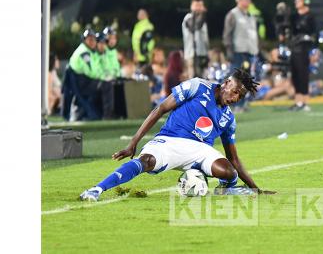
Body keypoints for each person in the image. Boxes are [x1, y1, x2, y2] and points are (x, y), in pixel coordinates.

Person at [79, 68, 275, 201]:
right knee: (146, 161)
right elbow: (160, 109)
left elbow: (234, 159)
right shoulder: (198, 86)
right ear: (226, 83)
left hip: (200, 150)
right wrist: (133, 142)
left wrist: (255, 188)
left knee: (229, 171)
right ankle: (97, 189)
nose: (235, 98)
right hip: (170, 141)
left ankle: (225, 188)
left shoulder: (228, 119)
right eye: (235, 92)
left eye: (240, 96)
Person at [223, 0, 259, 112]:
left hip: (248, 51)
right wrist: (229, 52)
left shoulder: (250, 15)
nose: (249, 2)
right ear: (239, 0)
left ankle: (241, 103)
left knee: (245, 80)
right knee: (234, 80)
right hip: (237, 51)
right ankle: (230, 103)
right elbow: (227, 35)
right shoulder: (232, 14)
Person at [62, 28, 103, 121]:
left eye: (94, 40)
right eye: (90, 39)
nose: (93, 42)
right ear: (84, 40)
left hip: (78, 80)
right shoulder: (84, 53)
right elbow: (92, 73)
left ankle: (85, 115)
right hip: (77, 81)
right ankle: (89, 115)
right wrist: (103, 76)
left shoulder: (89, 51)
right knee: (98, 87)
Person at [288, 0, 317, 111]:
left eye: (299, 0)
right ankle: (298, 101)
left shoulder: (310, 16)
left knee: (303, 75)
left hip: (305, 49)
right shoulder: (294, 17)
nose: (296, 3)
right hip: (294, 49)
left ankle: (305, 101)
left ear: (305, 2)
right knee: (295, 75)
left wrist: (314, 51)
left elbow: (315, 34)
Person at [182, 0, 210, 79]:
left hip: (203, 54)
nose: (199, 8)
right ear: (191, 6)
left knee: (204, 80)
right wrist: (202, 14)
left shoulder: (202, 19)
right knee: (194, 81)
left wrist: (208, 53)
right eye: (196, 5)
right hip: (192, 54)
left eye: (200, 5)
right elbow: (196, 26)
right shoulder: (188, 18)